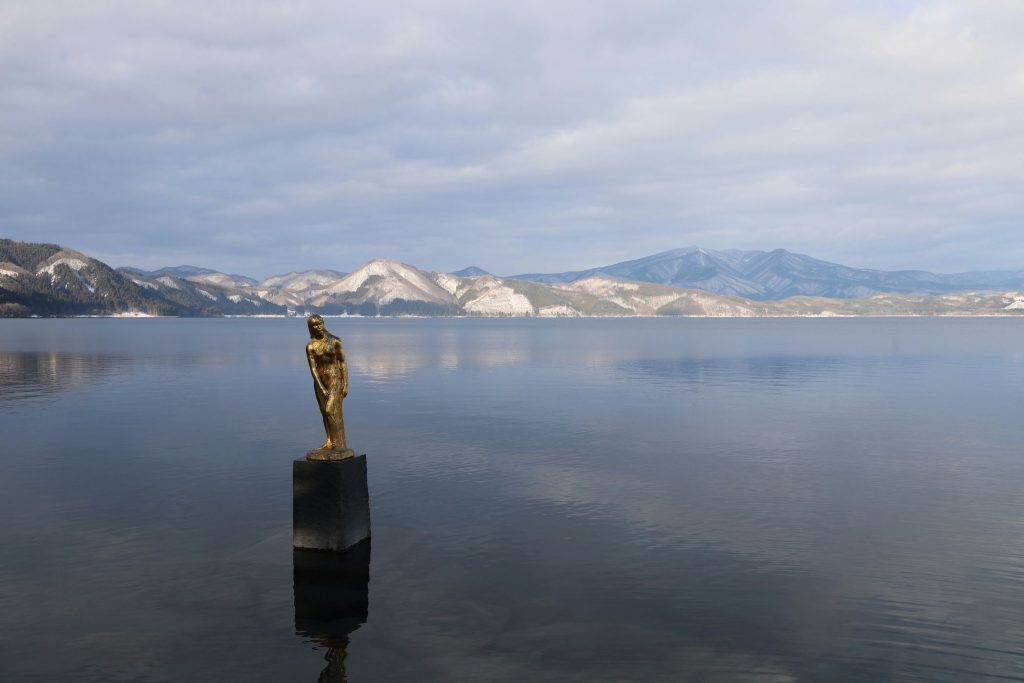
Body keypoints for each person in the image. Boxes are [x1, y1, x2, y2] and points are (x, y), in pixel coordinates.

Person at [306, 314, 350, 454]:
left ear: (323, 324)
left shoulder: (335, 341)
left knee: (330, 410)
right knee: (324, 412)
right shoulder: (310, 346)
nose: (318, 327)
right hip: (320, 381)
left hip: (334, 379)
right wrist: (320, 386)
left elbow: (342, 363)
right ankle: (329, 441)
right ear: (310, 328)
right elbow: (313, 368)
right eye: (314, 325)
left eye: (320, 323)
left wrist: (345, 384)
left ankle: (338, 443)